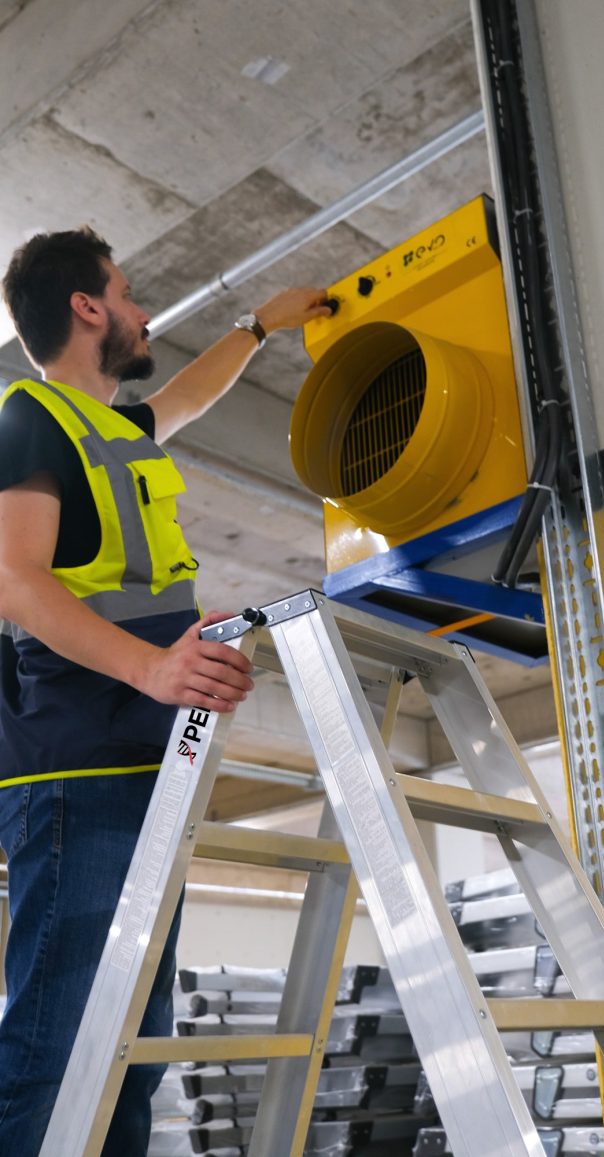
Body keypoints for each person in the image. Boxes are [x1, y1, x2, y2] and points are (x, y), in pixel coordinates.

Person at [0, 226, 330, 1156]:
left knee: (130, 1054)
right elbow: (15, 578)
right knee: (56, 1048)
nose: (144, 312)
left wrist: (260, 326)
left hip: (147, 758)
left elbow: (185, 395)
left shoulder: (113, 429)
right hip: (78, 761)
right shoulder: (28, 418)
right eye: (130, 292)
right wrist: (151, 666)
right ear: (86, 305)